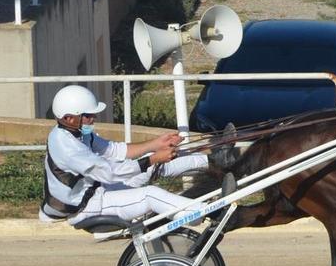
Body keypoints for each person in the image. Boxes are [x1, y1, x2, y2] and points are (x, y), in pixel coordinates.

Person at [38, 84, 233, 226]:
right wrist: (152, 158)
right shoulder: (67, 146)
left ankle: (215, 160)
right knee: (150, 194)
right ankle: (204, 214)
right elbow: (110, 172)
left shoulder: (78, 132)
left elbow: (115, 151)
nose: (94, 118)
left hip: (99, 189)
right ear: (69, 118)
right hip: (86, 207)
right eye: (88, 115)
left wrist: (157, 144)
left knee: (153, 164)